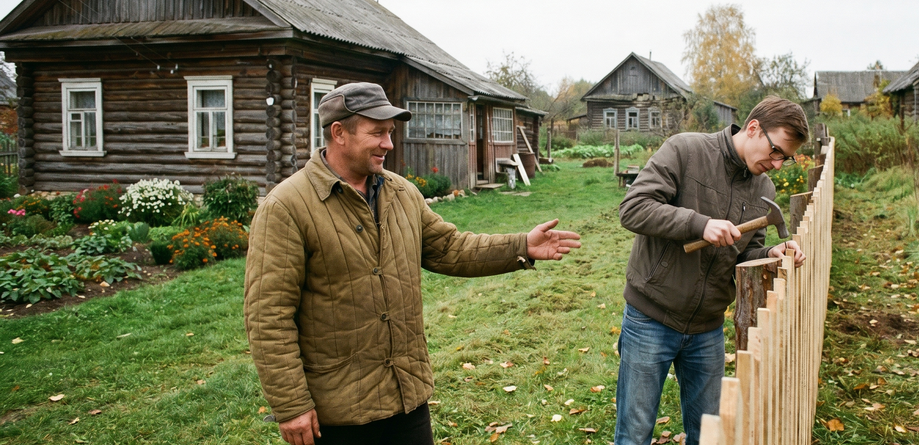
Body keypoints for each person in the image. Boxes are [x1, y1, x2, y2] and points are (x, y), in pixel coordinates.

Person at [244, 82, 581, 445]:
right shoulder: (287, 207)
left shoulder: (402, 193)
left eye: (390, 132)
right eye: (377, 133)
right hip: (338, 411)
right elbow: (268, 316)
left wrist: (521, 246)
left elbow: (449, 248)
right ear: (339, 133)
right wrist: (292, 404)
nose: (388, 144)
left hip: (406, 396)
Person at [613, 96, 809, 445]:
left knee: (708, 436)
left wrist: (769, 253)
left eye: (786, 158)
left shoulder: (763, 187)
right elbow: (633, 208)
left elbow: (744, 253)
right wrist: (698, 224)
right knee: (635, 434)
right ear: (753, 128)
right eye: (776, 151)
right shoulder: (686, 150)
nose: (778, 165)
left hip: (707, 329)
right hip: (651, 318)